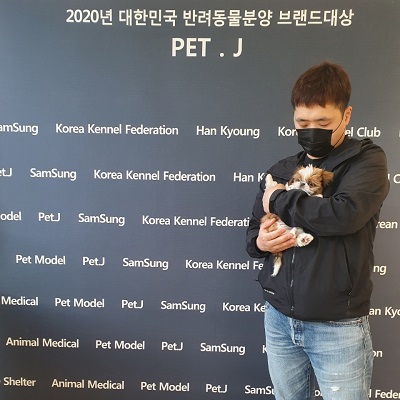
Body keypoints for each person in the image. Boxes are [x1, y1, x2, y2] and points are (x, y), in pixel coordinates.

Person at [246, 61, 389, 400]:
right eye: (302, 123)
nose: (312, 130)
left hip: (337, 326)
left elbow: (343, 215)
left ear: (346, 115)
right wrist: (262, 242)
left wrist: (278, 198)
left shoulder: (366, 161)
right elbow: (252, 235)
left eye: (323, 123)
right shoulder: (282, 168)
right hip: (279, 318)